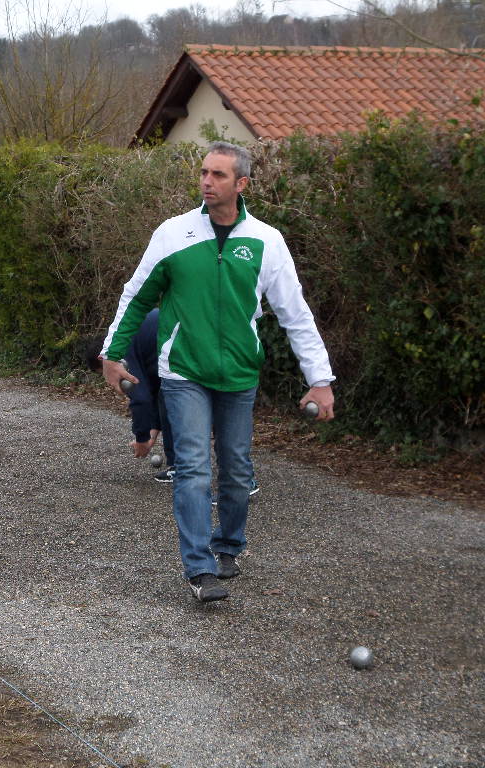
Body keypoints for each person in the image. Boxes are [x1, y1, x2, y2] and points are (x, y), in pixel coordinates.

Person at [100, 141, 335, 604]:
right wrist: (112, 353)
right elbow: (136, 297)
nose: (207, 181)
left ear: (241, 183)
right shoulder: (173, 234)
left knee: (237, 468)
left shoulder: (267, 241)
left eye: (219, 175)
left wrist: (320, 379)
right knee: (192, 467)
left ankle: (228, 546)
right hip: (183, 370)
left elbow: (295, 314)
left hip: (239, 374)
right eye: (204, 172)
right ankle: (199, 568)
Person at [85, 308, 176, 475]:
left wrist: (141, 439)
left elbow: (141, 400)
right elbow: (153, 393)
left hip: (180, 346)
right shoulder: (134, 341)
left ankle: (178, 467)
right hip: (187, 336)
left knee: (171, 398)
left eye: (103, 373)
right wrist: (152, 434)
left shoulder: (119, 351)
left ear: (102, 359)